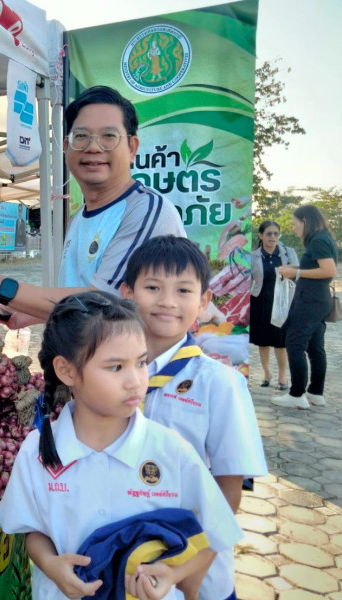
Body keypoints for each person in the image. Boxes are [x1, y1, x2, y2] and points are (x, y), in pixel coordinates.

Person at [0, 291, 241, 600]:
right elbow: (33, 529)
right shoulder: (37, 450)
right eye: (116, 367)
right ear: (67, 370)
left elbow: (217, 530)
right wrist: (50, 564)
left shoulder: (170, 449)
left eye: (141, 363)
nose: (136, 381)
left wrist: (174, 574)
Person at [0, 86, 185, 325]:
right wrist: (25, 313)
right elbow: (79, 295)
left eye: (109, 136)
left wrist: (3, 288)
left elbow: (104, 305)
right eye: (81, 136)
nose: (93, 147)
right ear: (65, 147)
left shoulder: (145, 211)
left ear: (132, 148)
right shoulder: (79, 217)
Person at [121, 235, 267, 600]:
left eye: (184, 290)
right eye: (152, 287)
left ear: (203, 302)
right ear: (127, 293)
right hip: (123, 553)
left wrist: (188, 569)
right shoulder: (107, 374)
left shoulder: (221, 383)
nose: (168, 301)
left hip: (195, 566)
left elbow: (229, 492)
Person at [273, 204, 338, 409]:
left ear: (305, 221)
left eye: (294, 224)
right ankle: (315, 393)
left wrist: (297, 273)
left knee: (295, 343)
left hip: (310, 300)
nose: (293, 228)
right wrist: (295, 268)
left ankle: (297, 394)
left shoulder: (318, 240)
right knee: (315, 347)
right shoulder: (323, 238)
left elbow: (329, 271)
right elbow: (317, 267)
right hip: (318, 299)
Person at [250, 221, 298, 390]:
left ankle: (282, 375)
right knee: (263, 340)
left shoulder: (288, 253)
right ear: (261, 235)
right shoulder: (253, 256)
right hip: (260, 301)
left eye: (276, 234)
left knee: (280, 341)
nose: (272, 237)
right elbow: (248, 280)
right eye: (269, 234)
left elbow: (297, 275)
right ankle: (266, 373)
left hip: (283, 302)